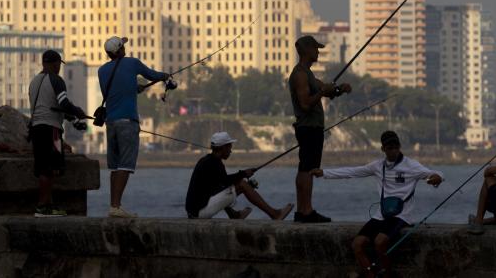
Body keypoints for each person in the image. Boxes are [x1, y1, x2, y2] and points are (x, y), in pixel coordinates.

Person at [310, 131, 444, 278]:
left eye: (395, 147)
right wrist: (324, 173)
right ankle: (370, 275)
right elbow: (352, 172)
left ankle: (387, 274)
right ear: (383, 149)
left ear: (399, 147)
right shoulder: (377, 166)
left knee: (380, 242)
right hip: (382, 214)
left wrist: (436, 178)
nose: (393, 150)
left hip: (402, 215)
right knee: (357, 244)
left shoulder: (411, 165)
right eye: (389, 147)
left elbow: (434, 174)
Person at [98, 36, 169, 218]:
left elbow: (113, 91)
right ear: (120, 50)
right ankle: (116, 205)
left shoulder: (102, 71)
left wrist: (134, 87)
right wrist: (165, 76)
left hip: (111, 122)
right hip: (127, 122)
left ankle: (114, 207)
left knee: (114, 167)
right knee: (125, 165)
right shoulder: (132, 63)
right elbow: (152, 75)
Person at [288, 35, 352, 223]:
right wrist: (323, 93)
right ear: (307, 50)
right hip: (309, 128)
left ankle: (302, 210)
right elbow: (306, 103)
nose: (318, 52)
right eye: (316, 49)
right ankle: (306, 211)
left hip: (310, 128)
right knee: (309, 169)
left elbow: (325, 88)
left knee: (304, 168)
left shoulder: (308, 74)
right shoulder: (300, 74)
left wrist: (339, 89)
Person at [27, 50, 88, 217]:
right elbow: (64, 103)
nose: (59, 67)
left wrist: (75, 121)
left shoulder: (34, 82)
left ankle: (47, 205)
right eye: (59, 64)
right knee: (51, 168)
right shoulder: (56, 80)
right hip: (52, 130)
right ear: (55, 63)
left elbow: (52, 106)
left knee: (42, 168)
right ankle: (43, 206)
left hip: (37, 129)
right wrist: (78, 112)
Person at [185, 132, 293, 221]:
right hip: (200, 212)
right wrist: (244, 174)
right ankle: (275, 214)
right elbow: (225, 181)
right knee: (241, 184)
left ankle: (235, 215)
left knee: (233, 186)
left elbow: (220, 185)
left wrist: (242, 176)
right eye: (229, 147)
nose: (231, 151)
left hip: (194, 212)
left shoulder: (207, 160)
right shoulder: (213, 163)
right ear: (222, 148)